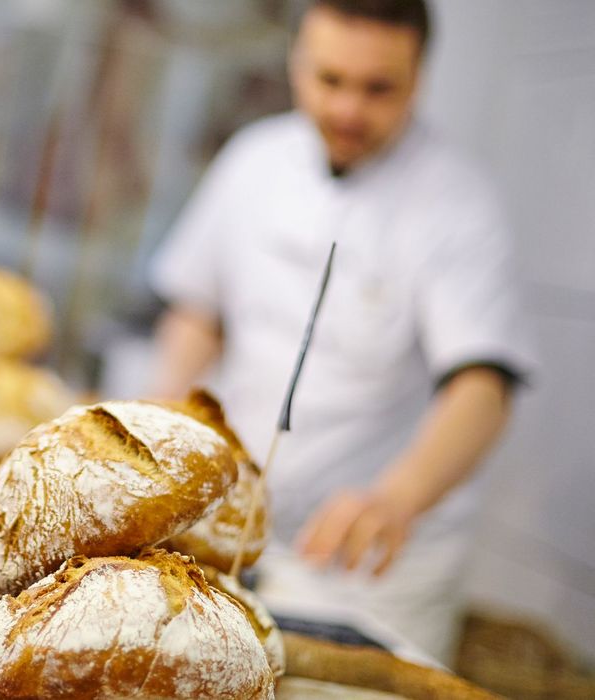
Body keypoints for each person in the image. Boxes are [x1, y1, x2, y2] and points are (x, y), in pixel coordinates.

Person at [149, 0, 533, 664]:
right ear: (297, 64)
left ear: (420, 77)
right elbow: (199, 311)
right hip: (231, 535)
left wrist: (398, 495)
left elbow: (484, 385)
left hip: (371, 571)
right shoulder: (254, 161)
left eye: (378, 88)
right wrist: (160, 409)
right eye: (330, 81)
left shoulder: (459, 202)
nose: (349, 110)